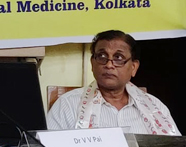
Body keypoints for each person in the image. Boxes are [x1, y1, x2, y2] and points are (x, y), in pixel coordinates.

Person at [47, 30, 180, 135]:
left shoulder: (156, 108)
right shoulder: (67, 105)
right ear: (92, 63)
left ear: (133, 67)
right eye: (102, 56)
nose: (109, 65)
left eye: (118, 57)